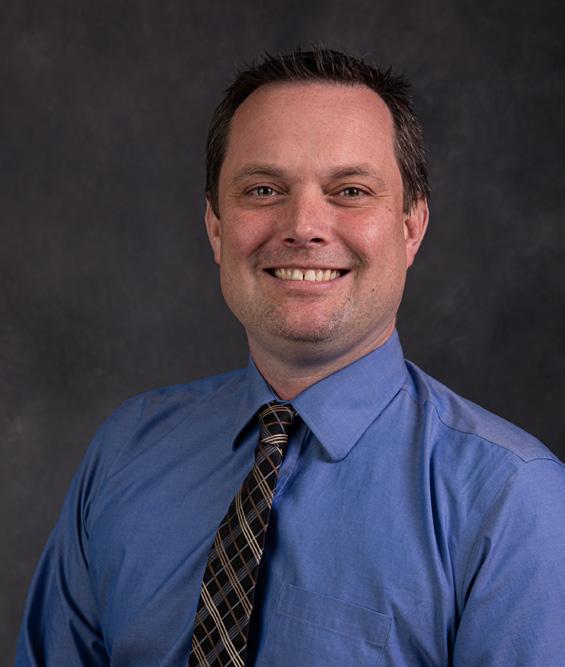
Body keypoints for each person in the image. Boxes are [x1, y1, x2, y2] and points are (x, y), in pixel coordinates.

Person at [15, 48, 565, 667]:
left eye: (350, 191)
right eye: (263, 189)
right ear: (216, 228)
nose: (303, 225)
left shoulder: (513, 501)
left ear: (411, 227)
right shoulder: (126, 451)